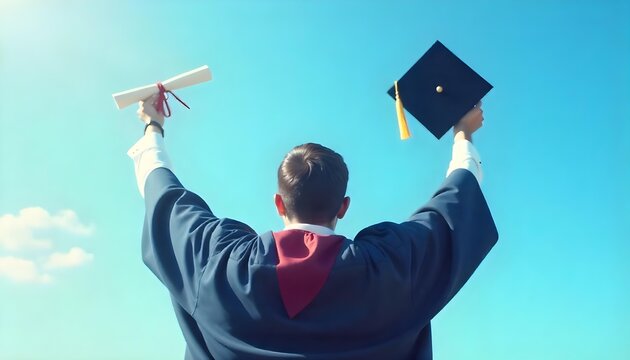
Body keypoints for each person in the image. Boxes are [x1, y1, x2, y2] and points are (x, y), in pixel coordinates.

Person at [127, 94, 498, 360]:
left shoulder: (218, 265)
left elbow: (162, 193)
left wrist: (152, 126)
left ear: (278, 202)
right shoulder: (393, 269)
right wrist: (463, 135)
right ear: (344, 207)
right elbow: (456, 203)